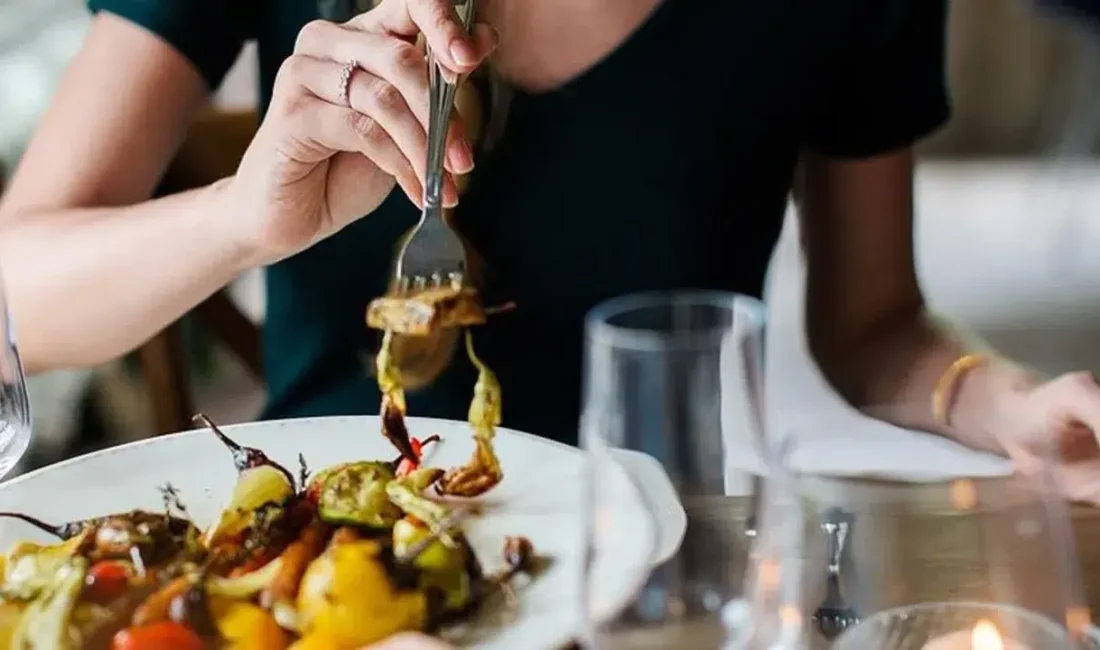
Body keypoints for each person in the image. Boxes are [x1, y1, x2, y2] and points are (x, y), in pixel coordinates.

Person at [2, 0, 1100, 526]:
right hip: (321, 563)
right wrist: (246, 217)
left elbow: (872, 326)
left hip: (658, 572)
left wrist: (1003, 404)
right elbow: (18, 296)